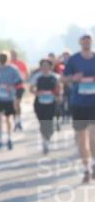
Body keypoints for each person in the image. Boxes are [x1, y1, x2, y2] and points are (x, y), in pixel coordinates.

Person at [64, 33, 95, 184]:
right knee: (81, 138)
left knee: (93, 137)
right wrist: (73, 78)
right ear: (80, 43)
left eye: (88, 41)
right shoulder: (74, 59)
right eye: (84, 42)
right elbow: (63, 78)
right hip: (79, 104)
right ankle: (87, 169)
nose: (86, 44)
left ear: (92, 42)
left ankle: (93, 164)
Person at [27, 58, 62, 155]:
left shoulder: (56, 77)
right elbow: (31, 89)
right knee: (42, 123)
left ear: (51, 67)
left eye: (47, 66)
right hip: (39, 103)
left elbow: (59, 89)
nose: (45, 68)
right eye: (43, 66)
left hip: (51, 103)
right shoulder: (37, 77)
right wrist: (37, 92)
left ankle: (48, 137)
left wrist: (57, 95)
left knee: (49, 123)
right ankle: (44, 141)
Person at [0, 52, 23, 150]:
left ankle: (9, 138)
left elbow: (19, 81)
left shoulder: (13, 69)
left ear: (8, 59)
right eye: (1, 58)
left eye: (4, 58)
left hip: (9, 98)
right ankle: (0, 139)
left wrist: (11, 86)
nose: (3, 59)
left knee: (8, 119)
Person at [10, 49, 29, 131]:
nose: (13, 56)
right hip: (10, 88)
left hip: (19, 87)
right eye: (12, 54)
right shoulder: (9, 64)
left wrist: (23, 80)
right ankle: (15, 121)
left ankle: (19, 121)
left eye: (14, 54)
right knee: (13, 105)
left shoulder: (21, 63)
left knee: (17, 103)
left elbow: (26, 73)